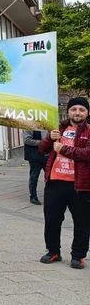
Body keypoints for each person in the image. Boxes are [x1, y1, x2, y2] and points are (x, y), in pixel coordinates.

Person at [38, 97, 90, 269]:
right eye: (74, 109)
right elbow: (42, 150)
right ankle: (53, 251)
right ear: (68, 111)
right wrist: (48, 139)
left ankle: (78, 256)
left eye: (81, 110)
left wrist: (64, 149)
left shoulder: (89, 131)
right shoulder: (59, 128)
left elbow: (87, 154)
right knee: (52, 220)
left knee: (82, 222)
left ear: (87, 113)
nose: (77, 112)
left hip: (81, 185)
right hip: (55, 183)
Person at [24, 130, 49, 205]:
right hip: (34, 155)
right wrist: (42, 142)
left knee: (50, 176)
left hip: (46, 155)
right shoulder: (29, 126)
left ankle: (51, 195)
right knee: (34, 176)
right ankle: (33, 196)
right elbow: (26, 140)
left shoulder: (46, 124)